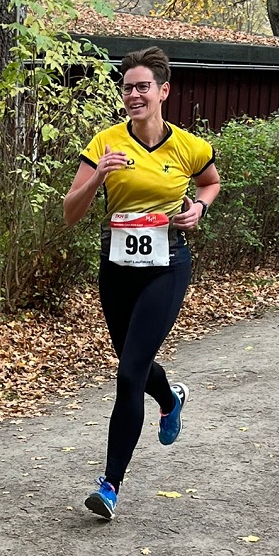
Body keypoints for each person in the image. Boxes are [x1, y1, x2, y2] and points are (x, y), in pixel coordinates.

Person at [63, 46, 220, 520]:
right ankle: (170, 398)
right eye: (127, 87)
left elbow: (210, 182)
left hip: (167, 266)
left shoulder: (189, 147)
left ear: (163, 91)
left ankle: (109, 486)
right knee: (134, 362)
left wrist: (199, 208)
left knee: (129, 374)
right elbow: (70, 212)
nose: (134, 95)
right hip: (116, 269)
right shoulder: (105, 143)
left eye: (143, 87)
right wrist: (98, 178)